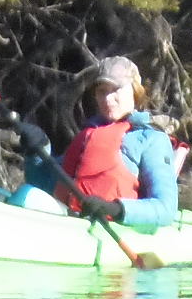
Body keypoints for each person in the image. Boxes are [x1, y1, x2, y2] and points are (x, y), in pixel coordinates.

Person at [22, 56, 180, 229]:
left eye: (116, 89)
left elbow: (166, 208)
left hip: (112, 226)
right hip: (71, 221)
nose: (108, 98)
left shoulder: (151, 139)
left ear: (135, 91)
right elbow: (44, 185)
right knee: (22, 195)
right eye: (102, 91)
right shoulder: (88, 135)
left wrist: (115, 209)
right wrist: (36, 151)